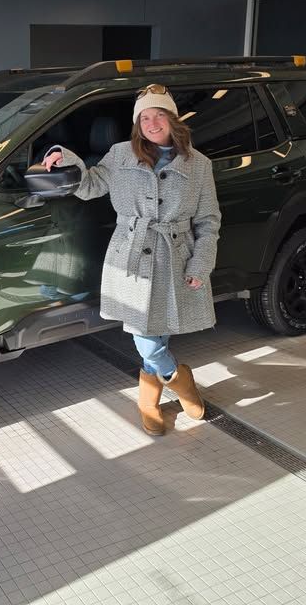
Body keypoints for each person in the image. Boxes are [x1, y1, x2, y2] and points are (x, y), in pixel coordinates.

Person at [42, 84, 221, 435]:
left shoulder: (199, 165)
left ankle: (148, 401)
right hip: (131, 255)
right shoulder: (121, 153)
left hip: (175, 255)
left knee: (160, 333)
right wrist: (63, 157)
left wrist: (200, 264)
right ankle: (178, 379)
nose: (152, 123)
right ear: (137, 123)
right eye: (144, 117)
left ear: (172, 119)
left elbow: (208, 220)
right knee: (146, 336)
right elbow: (91, 185)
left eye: (159, 115)